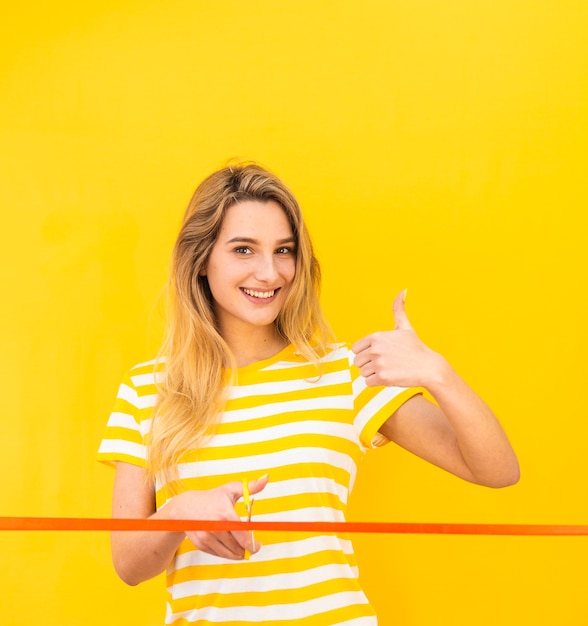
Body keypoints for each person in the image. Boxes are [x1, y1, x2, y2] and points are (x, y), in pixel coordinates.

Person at [98, 162, 519, 625]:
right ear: (201, 260)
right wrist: (179, 512)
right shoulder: (148, 389)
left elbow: (497, 471)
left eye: (284, 250)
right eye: (244, 250)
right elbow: (129, 565)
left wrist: (439, 375)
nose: (269, 272)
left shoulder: (345, 374)